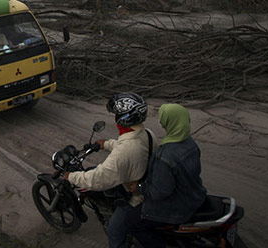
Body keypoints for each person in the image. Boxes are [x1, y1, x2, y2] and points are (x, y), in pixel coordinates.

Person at [64, 93, 153, 248]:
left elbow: (97, 179)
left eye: (116, 114)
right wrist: (106, 144)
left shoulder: (124, 152)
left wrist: (71, 176)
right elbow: (129, 143)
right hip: (147, 183)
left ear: (122, 119)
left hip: (136, 199)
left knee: (114, 232)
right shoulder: (148, 134)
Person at [127, 103, 207, 248]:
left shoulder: (165, 155)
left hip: (176, 209)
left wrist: (138, 188)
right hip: (195, 197)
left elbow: (159, 192)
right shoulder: (190, 143)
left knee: (135, 226)